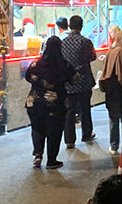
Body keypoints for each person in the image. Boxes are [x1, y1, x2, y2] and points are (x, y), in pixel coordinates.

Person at [25, 37, 78, 169]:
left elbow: (27, 77)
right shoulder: (64, 65)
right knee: (54, 131)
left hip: (34, 102)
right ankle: (51, 160)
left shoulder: (36, 64)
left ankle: (38, 155)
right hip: (55, 103)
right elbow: (75, 78)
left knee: (37, 128)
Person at [62, 15, 97, 149]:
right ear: (81, 27)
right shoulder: (85, 42)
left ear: (70, 26)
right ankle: (86, 134)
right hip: (83, 81)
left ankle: (70, 140)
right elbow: (92, 57)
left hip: (69, 82)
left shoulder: (63, 42)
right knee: (85, 109)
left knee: (69, 111)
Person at [99, 30, 122, 155]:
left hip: (111, 90)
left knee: (113, 118)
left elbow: (105, 71)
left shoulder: (110, 52)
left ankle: (113, 146)